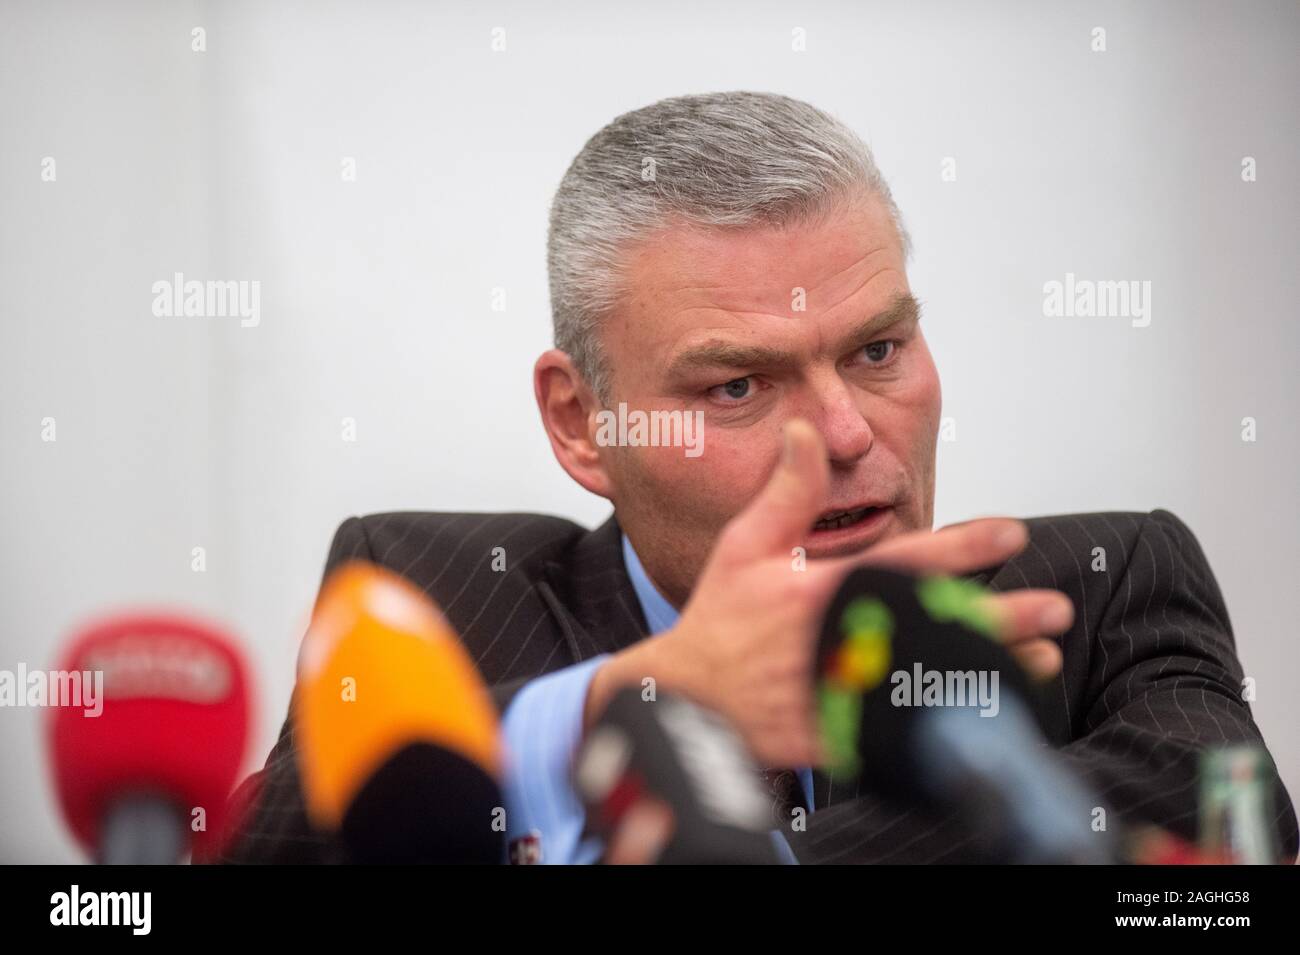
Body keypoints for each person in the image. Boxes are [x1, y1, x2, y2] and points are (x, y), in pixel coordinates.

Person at [219, 91, 1296, 864]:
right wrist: (633, 705)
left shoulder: (1102, 586)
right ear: (581, 421)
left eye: (878, 351)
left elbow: (1222, 832)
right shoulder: (432, 594)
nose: (841, 430)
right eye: (737, 385)